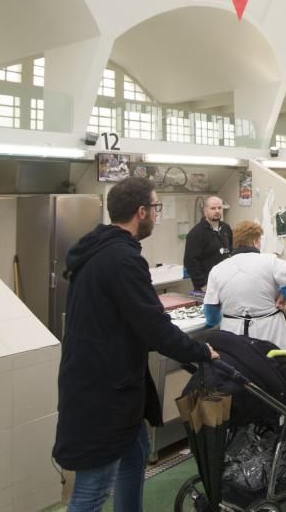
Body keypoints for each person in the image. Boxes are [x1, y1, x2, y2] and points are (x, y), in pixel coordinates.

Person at [54, 177, 218, 512]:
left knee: (136, 452)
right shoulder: (123, 259)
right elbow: (154, 326)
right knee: (92, 489)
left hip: (104, 379)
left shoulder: (98, 249)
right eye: (156, 207)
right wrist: (202, 352)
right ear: (141, 212)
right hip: (102, 388)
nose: (157, 214)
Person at [202, 221, 286, 352]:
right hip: (270, 329)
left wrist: (214, 321)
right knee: (274, 368)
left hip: (233, 332)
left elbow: (211, 309)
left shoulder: (217, 269)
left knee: (240, 369)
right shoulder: (269, 261)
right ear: (256, 241)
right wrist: (285, 294)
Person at [183, 195, 233, 291]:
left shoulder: (226, 228)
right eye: (213, 208)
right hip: (207, 286)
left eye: (219, 208)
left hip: (225, 283)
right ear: (205, 210)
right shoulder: (196, 233)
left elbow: (231, 250)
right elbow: (190, 262)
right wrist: (202, 285)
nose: (217, 211)